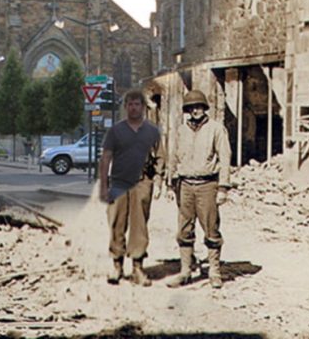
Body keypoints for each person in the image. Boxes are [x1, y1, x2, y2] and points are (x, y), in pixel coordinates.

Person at [99, 89, 164, 286]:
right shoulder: (115, 131)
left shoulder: (152, 131)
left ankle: (138, 267)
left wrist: (158, 181)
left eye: (138, 104)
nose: (134, 108)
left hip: (142, 181)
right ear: (126, 107)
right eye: (130, 104)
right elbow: (106, 158)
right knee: (116, 222)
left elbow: (160, 157)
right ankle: (117, 266)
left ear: (143, 108)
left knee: (140, 225)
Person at [166, 90, 231, 289]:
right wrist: (170, 184)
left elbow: (225, 158)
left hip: (207, 185)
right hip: (184, 185)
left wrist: (223, 187)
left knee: (211, 229)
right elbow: (173, 156)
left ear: (205, 108)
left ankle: (214, 271)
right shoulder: (181, 130)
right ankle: (186, 271)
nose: (196, 110)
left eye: (199, 106)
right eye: (192, 107)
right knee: (184, 230)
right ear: (187, 110)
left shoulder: (216, 129)